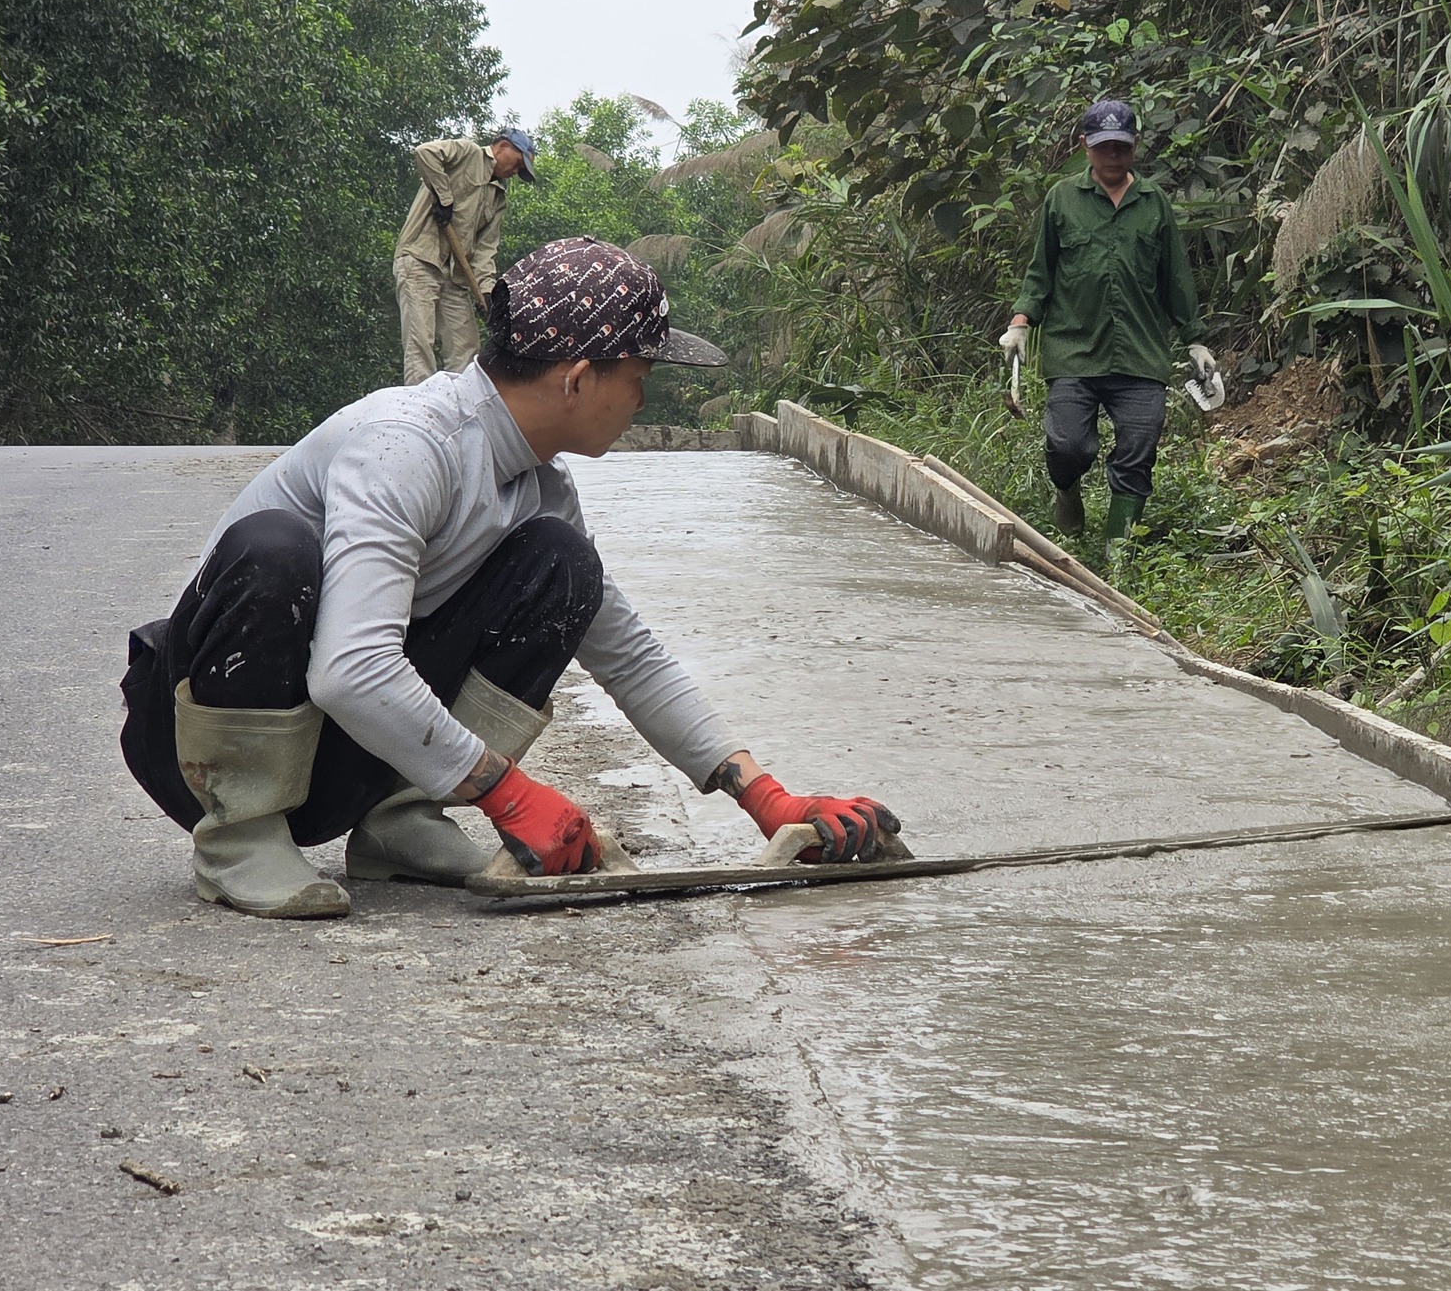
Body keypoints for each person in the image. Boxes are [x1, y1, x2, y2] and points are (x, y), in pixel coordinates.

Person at [119, 236, 900, 919]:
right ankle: (241, 836)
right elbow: (351, 669)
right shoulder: (405, 447)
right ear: (579, 378)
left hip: (330, 763)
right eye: (639, 375)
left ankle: (399, 817)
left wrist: (766, 797)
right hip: (197, 745)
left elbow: (630, 656)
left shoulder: (538, 488)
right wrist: (509, 792)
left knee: (563, 567)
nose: (641, 397)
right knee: (278, 546)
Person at [1002, 99, 1217, 549]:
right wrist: (1021, 322)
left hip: (1140, 354)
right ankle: (1067, 491)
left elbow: (1175, 276)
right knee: (1068, 447)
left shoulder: (1153, 202)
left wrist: (1195, 340)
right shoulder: (1062, 199)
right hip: (1074, 350)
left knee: (1138, 452)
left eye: (1122, 145)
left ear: (1135, 145)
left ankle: (1118, 559)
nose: (1113, 154)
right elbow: (1041, 272)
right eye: (1104, 147)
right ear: (1085, 146)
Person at [394, 129, 537, 386]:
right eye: (518, 163)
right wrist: (444, 198)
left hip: (456, 275)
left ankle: (460, 410)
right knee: (420, 345)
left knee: (467, 351)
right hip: (420, 259)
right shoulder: (467, 153)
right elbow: (425, 152)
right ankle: (419, 413)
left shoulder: (498, 197)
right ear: (503, 146)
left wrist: (487, 294)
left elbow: (485, 251)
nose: (516, 171)